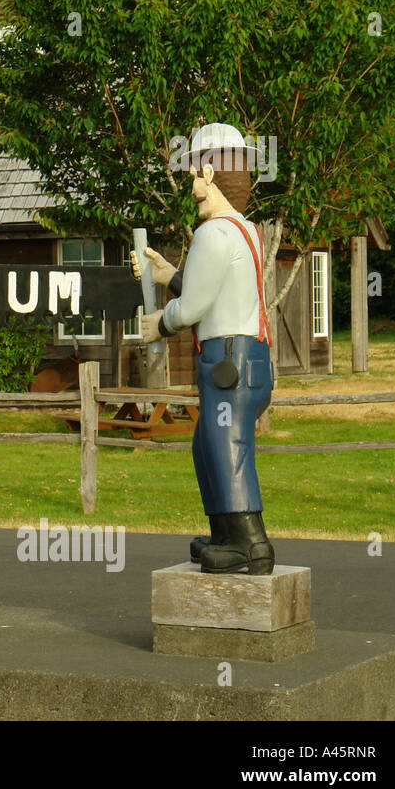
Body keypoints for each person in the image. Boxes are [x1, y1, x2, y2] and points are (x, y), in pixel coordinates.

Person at [133, 123, 275, 574]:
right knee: (207, 445)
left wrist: (162, 322)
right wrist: (170, 274)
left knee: (225, 444)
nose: (190, 183)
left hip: (227, 362)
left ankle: (251, 545)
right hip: (245, 359)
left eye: (193, 172)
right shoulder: (244, 231)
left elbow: (194, 306)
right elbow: (215, 289)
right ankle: (223, 534)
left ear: (209, 175)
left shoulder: (213, 235)